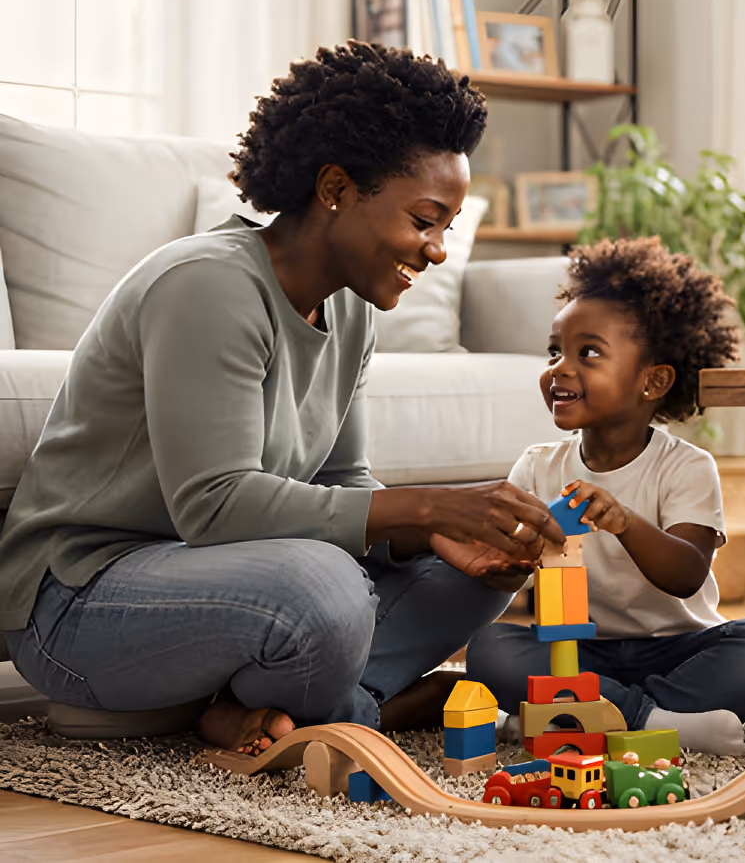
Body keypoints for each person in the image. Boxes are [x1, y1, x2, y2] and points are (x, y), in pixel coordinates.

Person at [0, 42, 565, 760]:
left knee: (480, 564)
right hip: (82, 600)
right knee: (318, 589)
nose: (438, 250)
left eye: (446, 228)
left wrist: (435, 533)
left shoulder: (352, 308)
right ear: (335, 189)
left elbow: (342, 483)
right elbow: (214, 505)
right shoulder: (207, 285)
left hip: (229, 580)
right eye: (424, 220)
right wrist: (428, 506)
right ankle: (357, 704)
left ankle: (267, 708)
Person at [466, 237, 745, 756]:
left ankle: (582, 718)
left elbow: (686, 574)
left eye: (588, 353)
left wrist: (624, 522)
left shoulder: (687, 466)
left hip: (679, 648)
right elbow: (513, 566)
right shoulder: (538, 465)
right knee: (490, 648)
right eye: (555, 351)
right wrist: (510, 557)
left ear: (654, 381)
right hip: (577, 654)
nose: (560, 368)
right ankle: (657, 723)